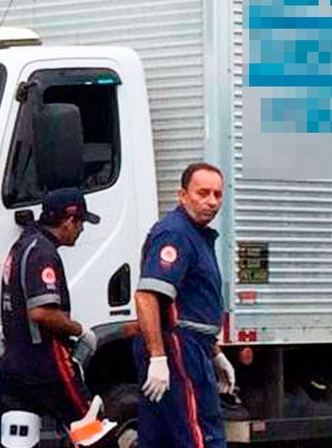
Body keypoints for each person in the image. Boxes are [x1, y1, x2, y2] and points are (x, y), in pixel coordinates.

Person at [0, 187, 116, 448]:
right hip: (47, 362)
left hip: (14, 364)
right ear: (68, 221)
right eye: (81, 222)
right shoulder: (43, 252)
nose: (82, 229)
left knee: (19, 442)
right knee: (92, 431)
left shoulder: (22, 245)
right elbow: (41, 312)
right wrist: (79, 330)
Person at [133, 162, 236, 448]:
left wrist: (215, 353)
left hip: (192, 345)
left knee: (160, 437)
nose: (212, 201)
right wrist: (158, 356)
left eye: (217, 194)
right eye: (203, 193)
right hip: (179, 346)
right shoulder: (177, 234)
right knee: (200, 431)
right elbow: (147, 295)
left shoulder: (196, 234)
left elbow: (191, 302)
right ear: (182, 195)